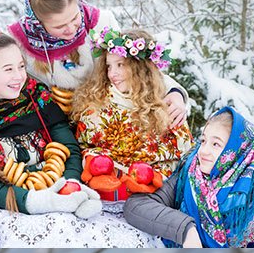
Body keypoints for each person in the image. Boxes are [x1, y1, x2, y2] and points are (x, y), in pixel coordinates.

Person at [0, 32, 153, 250]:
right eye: (8, 69)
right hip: (11, 206)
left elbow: (69, 146)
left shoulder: (36, 97)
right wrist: (39, 202)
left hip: (61, 190)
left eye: (21, 66)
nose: (19, 76)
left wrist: (69, 186)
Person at [0, 0, 189, 131]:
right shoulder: (18, 40)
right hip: (48, 124)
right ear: (38, 23)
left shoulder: (100, 25)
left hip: (100, 120)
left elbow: (133, 66)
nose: (72, 28)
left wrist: (175, 92)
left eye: (75, 17)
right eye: (59, 26)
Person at [69, 23, 193, 219]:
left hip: (147, 202)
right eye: (109, 66)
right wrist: (95, 161)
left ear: (141, 69)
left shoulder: (166, 106)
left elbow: (179, 156)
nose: (112, 74)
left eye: (120, 65)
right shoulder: (96, 102)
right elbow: (84, 143)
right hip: (100, 197)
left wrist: (154, 175)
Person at [122, 106, 254, 250]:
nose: (203, 151)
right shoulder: (190, 174)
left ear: (238, 152)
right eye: (203, 140)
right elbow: (136, 206)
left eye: (216, 144)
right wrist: (186, 230)